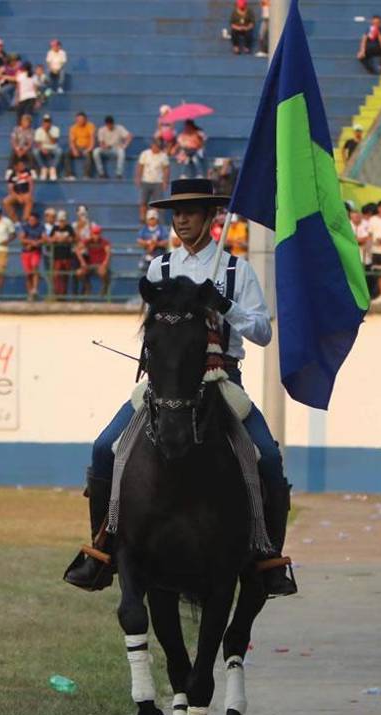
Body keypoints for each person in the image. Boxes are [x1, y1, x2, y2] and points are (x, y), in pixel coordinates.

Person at [63, 178, 297, 597]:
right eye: (176, 213)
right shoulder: (160, 268)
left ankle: (268, 558)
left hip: (222, 380)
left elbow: (262, 332)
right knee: (102, 448)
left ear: (211, 217)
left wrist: (224, 305)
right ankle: (103, 549)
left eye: (190, 212)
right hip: (165, 382)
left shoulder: (236, 270)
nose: (181, 220)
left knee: (269, 458)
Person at [135, 139, 170, 222]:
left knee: (158, 203)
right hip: (145, 181)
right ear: (152, 146)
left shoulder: (163, 156)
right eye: (154, 146)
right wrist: (138, 178)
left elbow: (166, 169)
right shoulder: (145, 154)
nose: (155, 148)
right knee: (143, 201)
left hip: (158, 182)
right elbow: (140, 166)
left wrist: (165, 182)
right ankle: (143, 218)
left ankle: (156, 219)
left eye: (157, 146)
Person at [75, 223, 111, 297]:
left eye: (97, 233)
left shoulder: (104, 242)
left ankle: (105, 286)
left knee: (102, 272)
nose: (96, 235)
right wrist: (82, 262)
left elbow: (108, 253)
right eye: (94, 233)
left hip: (100, 265)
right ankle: (88, 286)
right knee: (79, 272)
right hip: (90, 265)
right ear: (91, 234)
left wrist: (105, 263)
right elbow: (77, 250)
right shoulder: (88, 241)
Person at [92, 115, 132, 179]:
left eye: (111, 124)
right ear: (106, 124)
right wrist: (105, 146)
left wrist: (125, 145)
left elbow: (129, 136)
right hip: (106, 150)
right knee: (96, 151)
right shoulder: (101, 130)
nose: (109, 126)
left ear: (113, 123)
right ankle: (101, 173)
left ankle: (119, 174)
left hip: (116, 149)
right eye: (108, 125)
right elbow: (101, 143)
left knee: (121, 151)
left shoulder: (119, 128)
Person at [48, 209, 76, 296]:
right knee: (56, 275)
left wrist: (64, 239)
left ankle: (63, 294)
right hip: (57, 256)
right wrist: (57, 239)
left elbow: (73, 239)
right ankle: (56, 293)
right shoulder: (55, 228)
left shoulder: (69, 228)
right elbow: (50, 239)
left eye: (63, 221)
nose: (62, 223)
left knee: (65, 276)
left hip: (67, 256)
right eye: (60, 221)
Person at [18, 210, 45, 300]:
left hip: (35, 251)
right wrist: (31, 242)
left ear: (37, 220)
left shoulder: (41, 227)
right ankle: (30, 293)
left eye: (33, 220)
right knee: (28, 274)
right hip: (25, 252)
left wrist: (37, 242)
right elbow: (21, 238)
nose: (31, 221)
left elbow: (44, 238)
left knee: (35, 268)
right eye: (30, 220)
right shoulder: (25, 227)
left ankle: (35, 290)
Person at [63, 111, 94, 179]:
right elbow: (71, 141)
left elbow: (92, 140)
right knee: (66, 154)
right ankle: (69, 174)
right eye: (78, 119)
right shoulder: (73, 127)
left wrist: (88, 149)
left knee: (88, 155)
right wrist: (74, 150)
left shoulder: (90, 126)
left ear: (85, 119)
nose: (80, 121)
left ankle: (86, 175)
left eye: (81, 119)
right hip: (77, 147)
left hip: (87, 147)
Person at [3, 158, 34, 222]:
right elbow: (10, 189)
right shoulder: (12, 175)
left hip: (25, 193)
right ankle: (15, 221)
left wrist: (29, 193)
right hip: (16, 194)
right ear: (16, 167)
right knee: (5, 202)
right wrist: (18, 197)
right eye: (20, 165)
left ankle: (25, 220)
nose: (23, 166)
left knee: (29, 199)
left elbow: (31, 184)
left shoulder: (27, 172)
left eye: (23, 165)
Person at [32, 113, 61, 181]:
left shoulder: (55, 129)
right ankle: (43, 168)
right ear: (43, 122)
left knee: (59, 151)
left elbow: (54, 142)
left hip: (53, 148)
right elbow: (37, 143)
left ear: (51, 122)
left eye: (48, 122)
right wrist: (42, 149)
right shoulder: (38, 130)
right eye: (45, 122)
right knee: (35, 151)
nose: (47, 123)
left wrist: (47, 132)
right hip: (42, 148)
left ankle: (52, 169)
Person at [136, 208, 165, 272]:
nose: (152, 221)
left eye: (153, 219)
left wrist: (155, 244)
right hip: (146, 253)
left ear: (157, 219)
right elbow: (139, 241)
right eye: (150, 219)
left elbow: (166, 242)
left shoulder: (161, 229)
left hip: (159, 254)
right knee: (143, 267)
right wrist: (149, 243)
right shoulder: (144, 229)